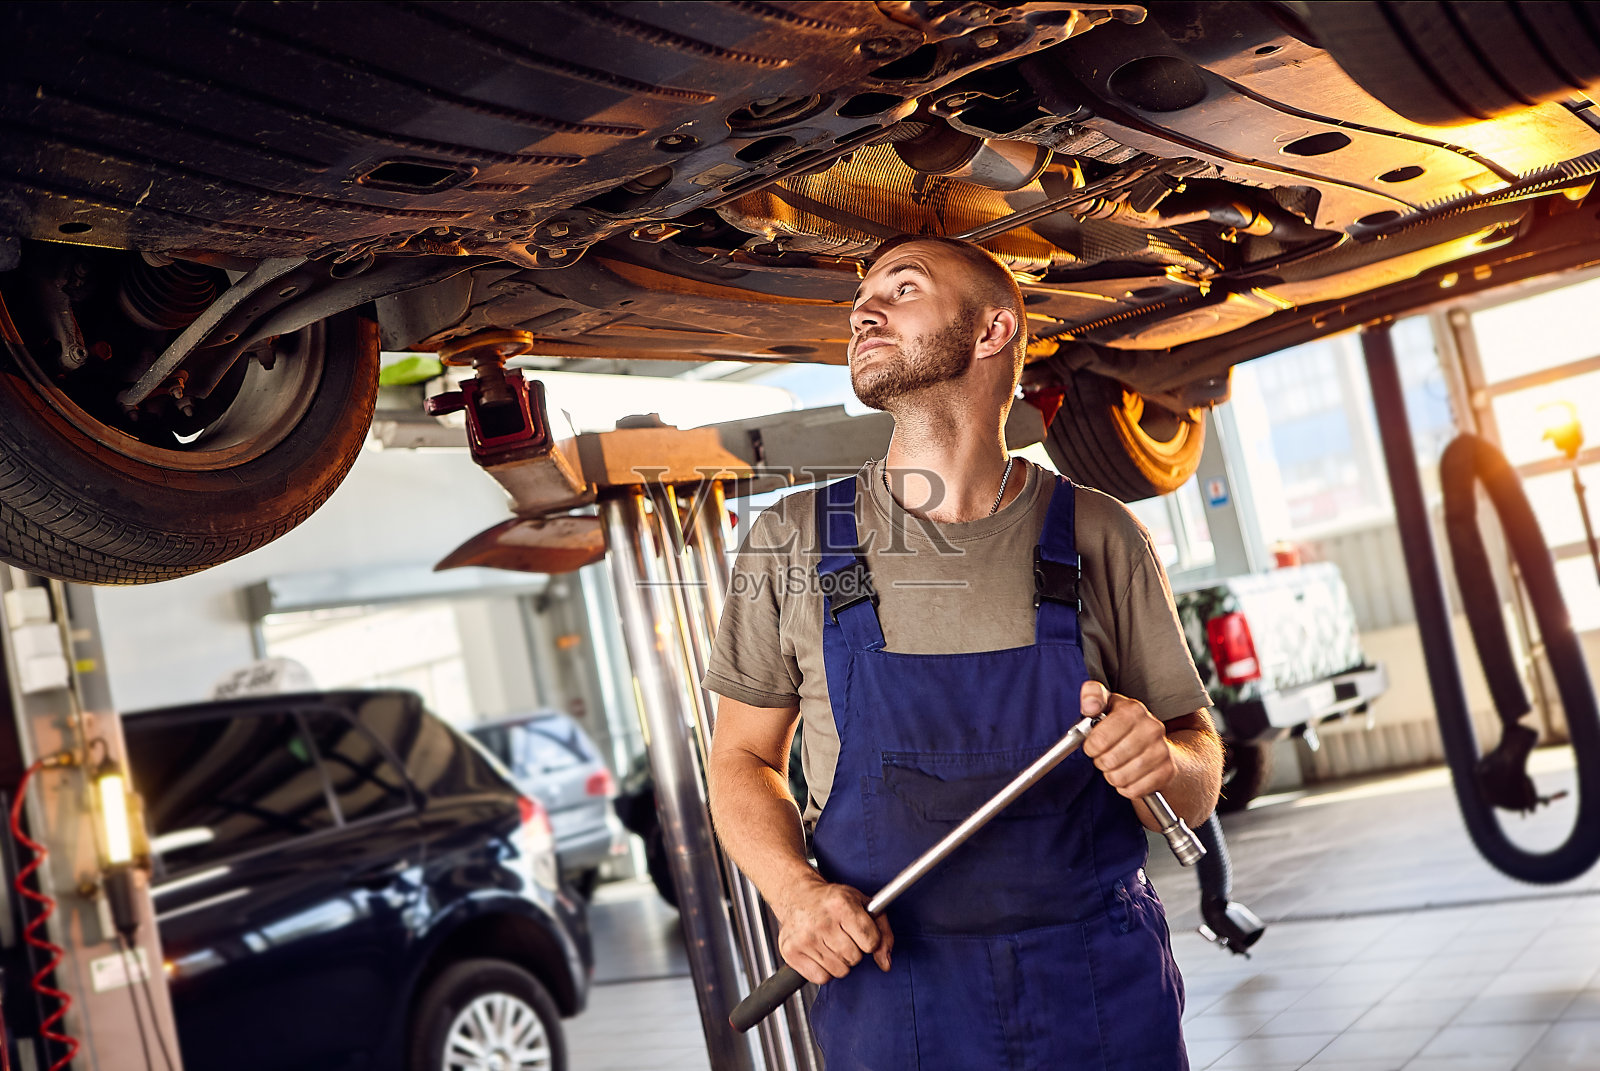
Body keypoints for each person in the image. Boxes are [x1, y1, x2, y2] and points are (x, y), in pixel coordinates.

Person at [705, 234, 1223, 1070]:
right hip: (894, 984)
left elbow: (1198, 778)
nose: (863, 311)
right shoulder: (798, 539)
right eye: (858, 300)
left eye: (902, 289)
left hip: (1094, 983)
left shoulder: (1098, 532)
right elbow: (739, 758)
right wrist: (795, 893)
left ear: (993, 331)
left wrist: (1162, 758)